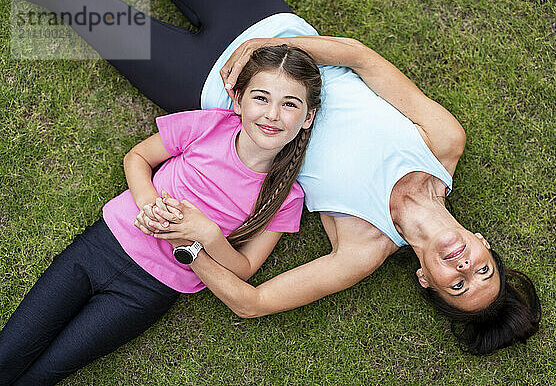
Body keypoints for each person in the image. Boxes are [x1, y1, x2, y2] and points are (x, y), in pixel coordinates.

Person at [1, 0, 541, 357]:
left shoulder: (361, 249)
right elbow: (357, 58)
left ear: (428, 280)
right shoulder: (443, 143)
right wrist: (273, 48)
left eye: (456, 285)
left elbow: (251, 302)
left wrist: (191, 244)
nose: (463, 267)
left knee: (71, 1)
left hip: (205, 89)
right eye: (483, 271)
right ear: (484, 244)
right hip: (262, 21)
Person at [0, 44, 322, 385]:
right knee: (10, 351)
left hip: (146, 293)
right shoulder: (208, 126)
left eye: (290, 104)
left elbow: (242, 269)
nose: (273, 114)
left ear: (308, 117)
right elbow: (137, 157)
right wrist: (148, 204)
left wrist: (206, 235)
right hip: (100, 248)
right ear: (238, 100)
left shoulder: (285, 197)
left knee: (47, 372)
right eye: (261, 98)